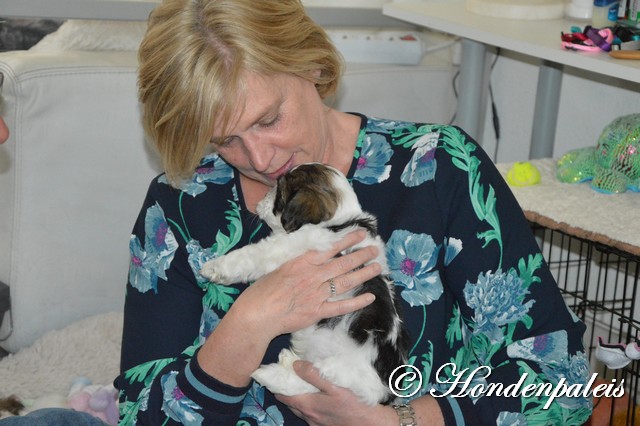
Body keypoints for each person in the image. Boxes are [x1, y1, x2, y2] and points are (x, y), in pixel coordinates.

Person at [113, 0, 593, 425]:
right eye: (226, 141)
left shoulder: (437, 169)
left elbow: (561, 381)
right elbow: (139, 412)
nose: (261, 159)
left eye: (268, 120)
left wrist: (403, 422)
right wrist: (248, 322)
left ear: (313, 67)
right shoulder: (178, 207)